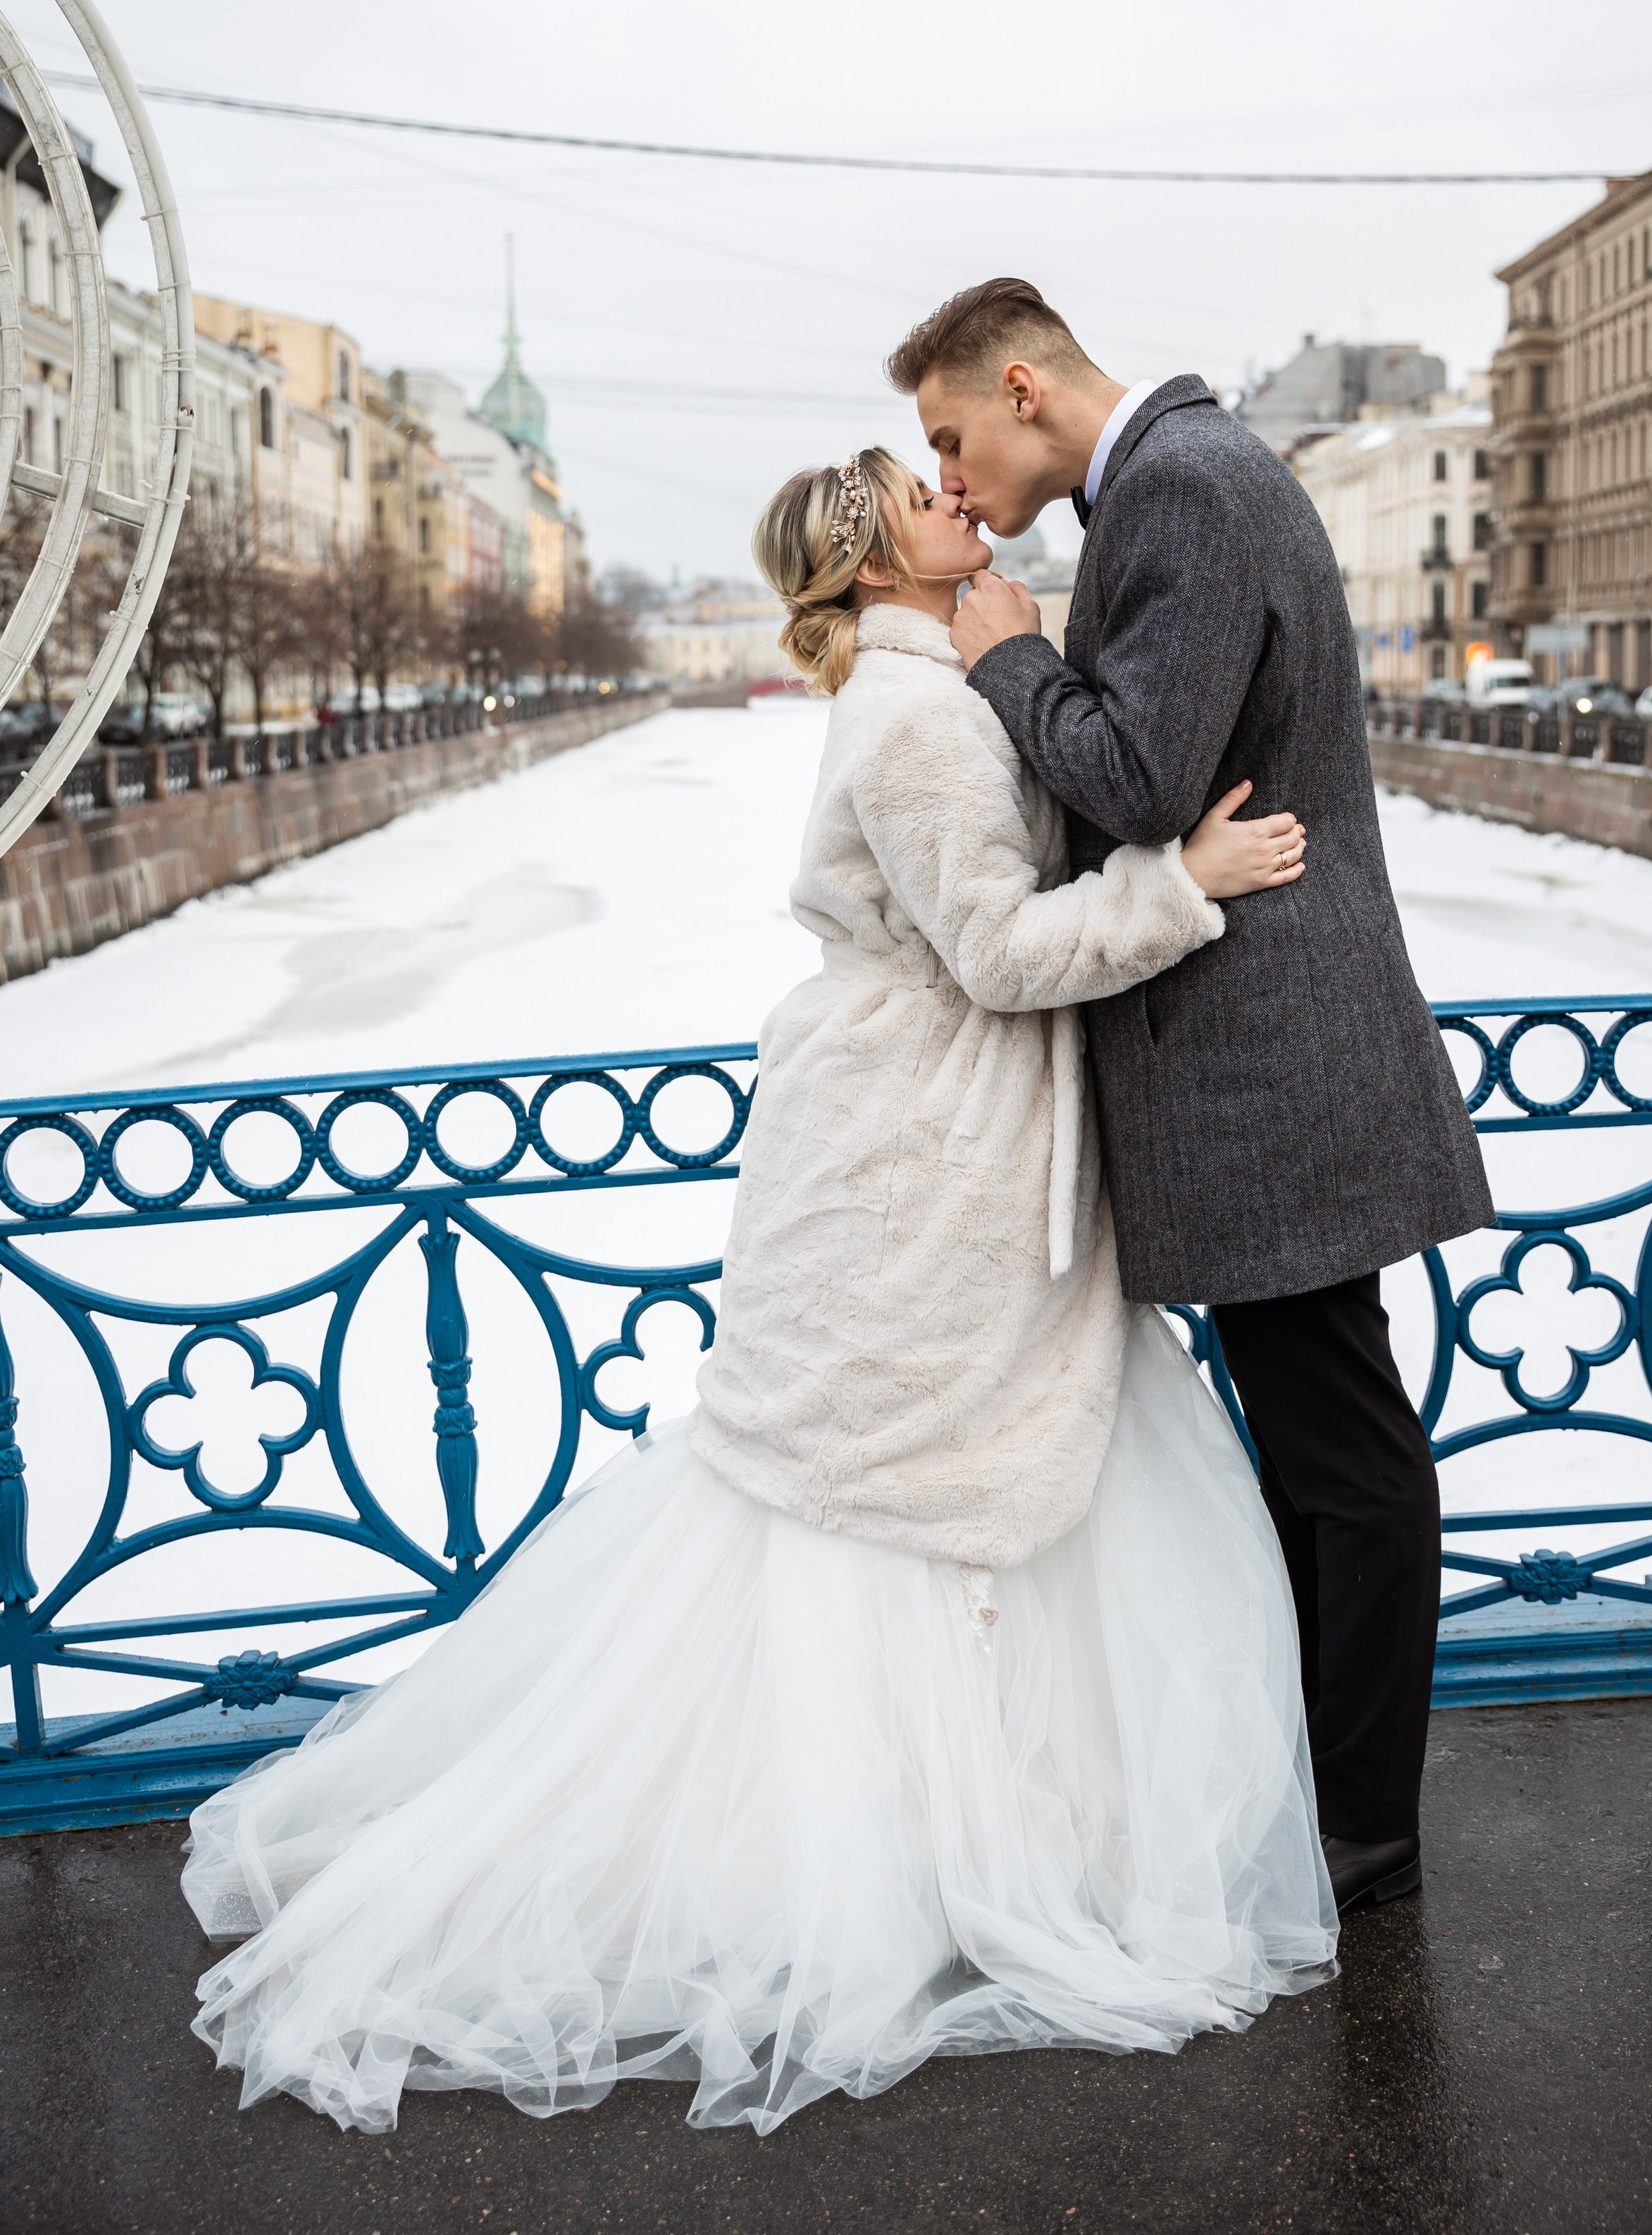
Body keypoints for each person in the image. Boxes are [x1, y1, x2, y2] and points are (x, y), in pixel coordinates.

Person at [180, 449, 1337, 2138]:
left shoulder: (928, 681)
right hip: (919, 1143)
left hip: (929, 1126)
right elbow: (1002, 953)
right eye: (917, 491)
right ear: (872, 555)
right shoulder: (913, 715)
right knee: (879, 1485)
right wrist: (1182, 887)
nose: (956, 492)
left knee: (887, 1487)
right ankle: (904, 1863)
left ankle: (939, 1848)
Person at [888, 279, 1495, 1917]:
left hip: (1264, 1063)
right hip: (1265, 1055)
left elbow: (1143, 780)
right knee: (1322, 1442)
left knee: (1339, 1448)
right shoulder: (1191, 474)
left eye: (950, 435)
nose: (947, 478)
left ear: (1021, 386)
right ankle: (1335, 1797)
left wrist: (1010, 657)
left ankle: (1361, 1826)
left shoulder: (1174, 489)